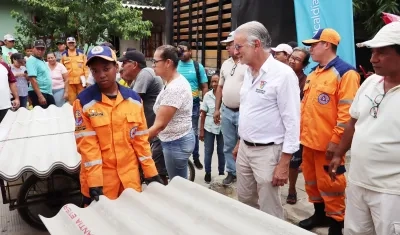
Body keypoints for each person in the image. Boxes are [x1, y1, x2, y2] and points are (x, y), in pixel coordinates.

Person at [329, 22, 400, 235]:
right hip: (358, 182)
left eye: (382, 52)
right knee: (354, 231)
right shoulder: (370, 84)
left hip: (391, 191)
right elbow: (353, 121)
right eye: (372, 52)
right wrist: (339, 154)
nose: (372, 59)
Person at [73, 45, 162, 205]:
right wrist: (95, 182)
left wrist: (150, 172)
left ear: (116, 67)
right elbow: (88, 146)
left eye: (106, 68)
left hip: (130, 179)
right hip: (101, 181)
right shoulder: (84, 102)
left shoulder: (134, 100)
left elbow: (141, 140)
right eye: (95, 71)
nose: (101, 75)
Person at [233, 21, 300, 219]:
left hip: (268, 152)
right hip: (245, 149)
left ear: (256, 45)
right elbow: (247, 110)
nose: (235, 52)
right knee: (245, 201)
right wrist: (239, 141)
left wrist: (284, 163)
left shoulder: (283, 75)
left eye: (239, 46)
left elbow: (293, 121)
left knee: (269, 209)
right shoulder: (247, 71)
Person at [299, 28, 360, 235]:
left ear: (327, 44)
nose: (310, 49)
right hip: (308, 141)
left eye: (314, 45)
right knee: (312, 182)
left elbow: (347, 114)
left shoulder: (346, 73)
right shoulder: (314, 73)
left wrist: (336, 143)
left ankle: (337, 222)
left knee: (332, 185)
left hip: (328, 144)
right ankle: (319, 214)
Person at [118, 50, 167, 184]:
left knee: (155, 168)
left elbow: (132, 101)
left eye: (124, 63)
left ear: (134, 64)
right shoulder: (138, 77)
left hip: (154, 128)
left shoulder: (145, 73)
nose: (122, 66)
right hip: (148, 126)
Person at [148, 45, 195, 180]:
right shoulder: (170, 82)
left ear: (168, 62)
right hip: (174, 139)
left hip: (176, 142)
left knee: (179, 185)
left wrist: (137, 140)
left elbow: (159, 125)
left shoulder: (175, 88)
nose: (153, 65)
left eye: (156, 62)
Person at [213, 30, 247, 185]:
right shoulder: (226, 64)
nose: (227, 48)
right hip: (227, 110)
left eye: (229, 44)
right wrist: (217, 109)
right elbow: (220, 87)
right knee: (228, 145)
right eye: (226, 45)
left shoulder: (247, 63)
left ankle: (243, 174)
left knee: (243, 146)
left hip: (243, 112)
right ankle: (231, 172)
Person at [177, 41, 208, 170]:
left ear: (190, 51)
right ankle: (181, 158)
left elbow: (205, 86)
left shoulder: (197, 66)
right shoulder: (174, 64)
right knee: (178, 130)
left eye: (184, 50)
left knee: (193, 131)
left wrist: (204, 105)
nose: (181, 53)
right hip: (177, 104)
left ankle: (195, 158)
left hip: (194, 104)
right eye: (179, 50)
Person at [286, 47, 310, 205]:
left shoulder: (306, 81)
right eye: (291, 57)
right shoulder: (280, 75)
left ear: (304, 64)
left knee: (294, 162)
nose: (292, 61)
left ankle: (292, 189)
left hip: (295, 127)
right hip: (276, 125)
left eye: (297, 59)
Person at [199, 72, 225, 183]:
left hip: (222, 127)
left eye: (217, 81)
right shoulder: (207, 96)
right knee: (208, 150)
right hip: (209, 127)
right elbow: (203, 114)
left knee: (222, 151)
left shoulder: (226, 95)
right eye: (212, 81)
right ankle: (208, 173)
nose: (214, 84)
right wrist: (201, 131)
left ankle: (221, 173)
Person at [27, 40, 55, 108]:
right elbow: (32, 79)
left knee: (52, 113)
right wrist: (40, 96)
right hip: (38, 93)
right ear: (33, 48)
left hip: (47, 92)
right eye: (38, 48)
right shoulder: (31, 60)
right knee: (42, 116)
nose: (40, 51)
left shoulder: (41, 60)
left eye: (42, 49)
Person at [61, 37, 89, 104]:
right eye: (69, 43)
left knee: (83, 100)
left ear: (75, 43)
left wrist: (87, 79)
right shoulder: (64, 55)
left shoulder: (81, 53)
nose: (71, 44)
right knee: (72, 102)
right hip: (69, 83)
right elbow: (61, 69)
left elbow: (86, 67)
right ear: (67, 44)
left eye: (72, 43)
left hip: (81, 82)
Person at [0, 47, 19, 122]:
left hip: (5, 105)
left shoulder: (4, 66)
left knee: (6, 129)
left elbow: (12, 82)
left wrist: (16, 98)